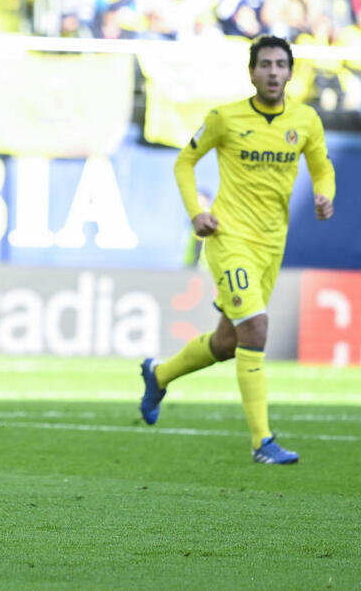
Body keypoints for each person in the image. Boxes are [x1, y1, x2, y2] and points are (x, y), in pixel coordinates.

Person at [140, 35, 336, 464]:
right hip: (228, 239)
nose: (272, 72)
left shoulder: (305, 121)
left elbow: (322, 168)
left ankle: (159, 374)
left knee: (230, 341)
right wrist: (196, 212)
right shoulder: (224, 118)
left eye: (280, 65)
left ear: (289, 72)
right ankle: (262, 442)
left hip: (271, 245)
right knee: (257, 330)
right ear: (251, 73)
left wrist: (325, 194)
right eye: (264, 64)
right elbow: (184, 162)